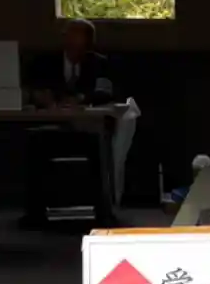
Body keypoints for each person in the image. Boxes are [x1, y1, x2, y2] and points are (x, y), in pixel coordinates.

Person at [24, 19, 135, 226]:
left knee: (100, 147)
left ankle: (103, 212)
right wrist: (43, 98)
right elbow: (32, 91)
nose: (78, 48)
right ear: (64, 40)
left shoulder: (100, 63)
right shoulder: (44, 63)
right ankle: (35, 213)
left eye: (83, 43)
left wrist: (82, 98)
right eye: (73, 40)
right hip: (53, 128)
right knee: (34, 143)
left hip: (88, 130)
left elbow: (107, 92)